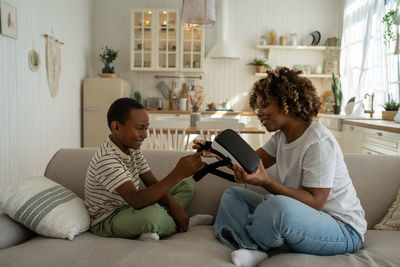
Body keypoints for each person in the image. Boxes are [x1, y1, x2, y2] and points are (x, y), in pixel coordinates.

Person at [195, 67, 367, 267]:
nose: (259, 113)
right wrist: (216, 151)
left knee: (277, 206)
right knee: (233, 195)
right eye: (257, 107)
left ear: (287, 102)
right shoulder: (280, 138)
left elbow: (315, 202)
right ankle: (251, 248)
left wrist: (267, 183)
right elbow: (250, 164)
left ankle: (251, 242)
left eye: (265, 105)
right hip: (304, 219)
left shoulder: (318, 141)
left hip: (342, 229)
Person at [84, 97, 212, 241]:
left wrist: (175, 207)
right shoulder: (106, 159)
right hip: (108, 219)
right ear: (116, 127)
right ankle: (178, 223)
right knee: (152, 216)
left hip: (130, 208)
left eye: (146, 128)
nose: (145, 135)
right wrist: (178, 173)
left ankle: (165, 222)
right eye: (140, 128)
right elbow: (136, 200)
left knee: (185, 186)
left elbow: (151, 182)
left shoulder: (131, 148)